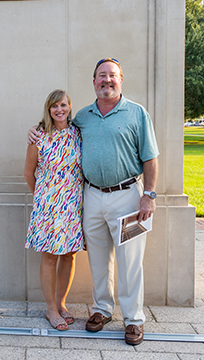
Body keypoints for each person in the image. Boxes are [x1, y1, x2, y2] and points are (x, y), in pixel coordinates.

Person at [28, 58, 159, 345]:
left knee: (130, 261)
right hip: (92, 197)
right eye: (101, 76)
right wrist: (35, 131)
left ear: (121, 79)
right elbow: (56, 129)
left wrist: (149, 196)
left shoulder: (137, 114)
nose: (107, 80)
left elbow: (150, 158)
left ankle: (134, 320)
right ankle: (102, 310)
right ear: (94, 82)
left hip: (128, 198)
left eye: (112, 75)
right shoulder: (83, 117)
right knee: (98, 259)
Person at [24, 89, 84, 331]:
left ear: (69, 107)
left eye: (63, 105)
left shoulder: (78, 134)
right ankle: (50, 308)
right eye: (54, 106)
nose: (59, 110)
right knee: (49, 256)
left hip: (72, 205)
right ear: (48, 110)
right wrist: (42, 198)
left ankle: (62, 303)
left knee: (69, 254)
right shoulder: (38, 136)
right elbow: (29, 173)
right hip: (48, 206)